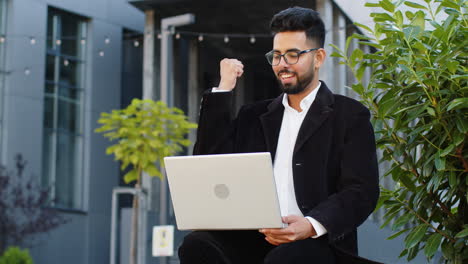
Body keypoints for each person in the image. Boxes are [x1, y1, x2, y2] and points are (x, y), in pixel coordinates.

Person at [178, 6, 380, 264]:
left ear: (318, 57)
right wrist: (224, 88)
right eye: (276, 55)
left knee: (285, 259)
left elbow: (361, 191)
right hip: (253, 237)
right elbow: (210, 162)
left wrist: (310, 224)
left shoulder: (349, 115)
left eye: (293, 55)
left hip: (316, 242)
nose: (282, 64)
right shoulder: (253, 115)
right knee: (196, 245)